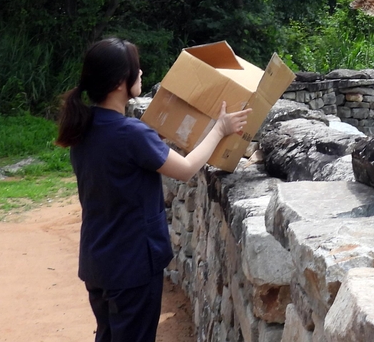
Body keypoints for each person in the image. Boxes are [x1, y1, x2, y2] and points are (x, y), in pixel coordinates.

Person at [55, 37, 251, 342]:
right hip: (131, 264)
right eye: (137, 68)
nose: (142, 72)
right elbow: (185, 170)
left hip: (98, 261)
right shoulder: (130, 133)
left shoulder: (82, 126)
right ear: (121, 82)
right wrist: (220, 129)